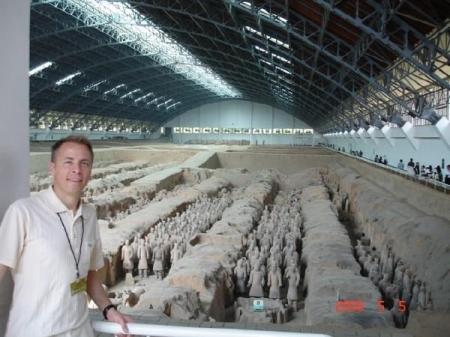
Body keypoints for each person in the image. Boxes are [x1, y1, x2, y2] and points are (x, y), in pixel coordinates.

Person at [0, 136, 132, 337]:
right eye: (68, 162)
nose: (76, 170)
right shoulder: (23, 212)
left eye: (84, 163)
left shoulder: (89, 214)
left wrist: (109, 310)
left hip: (80, 331)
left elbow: (88, 275)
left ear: (90, 171)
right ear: (52, 168)